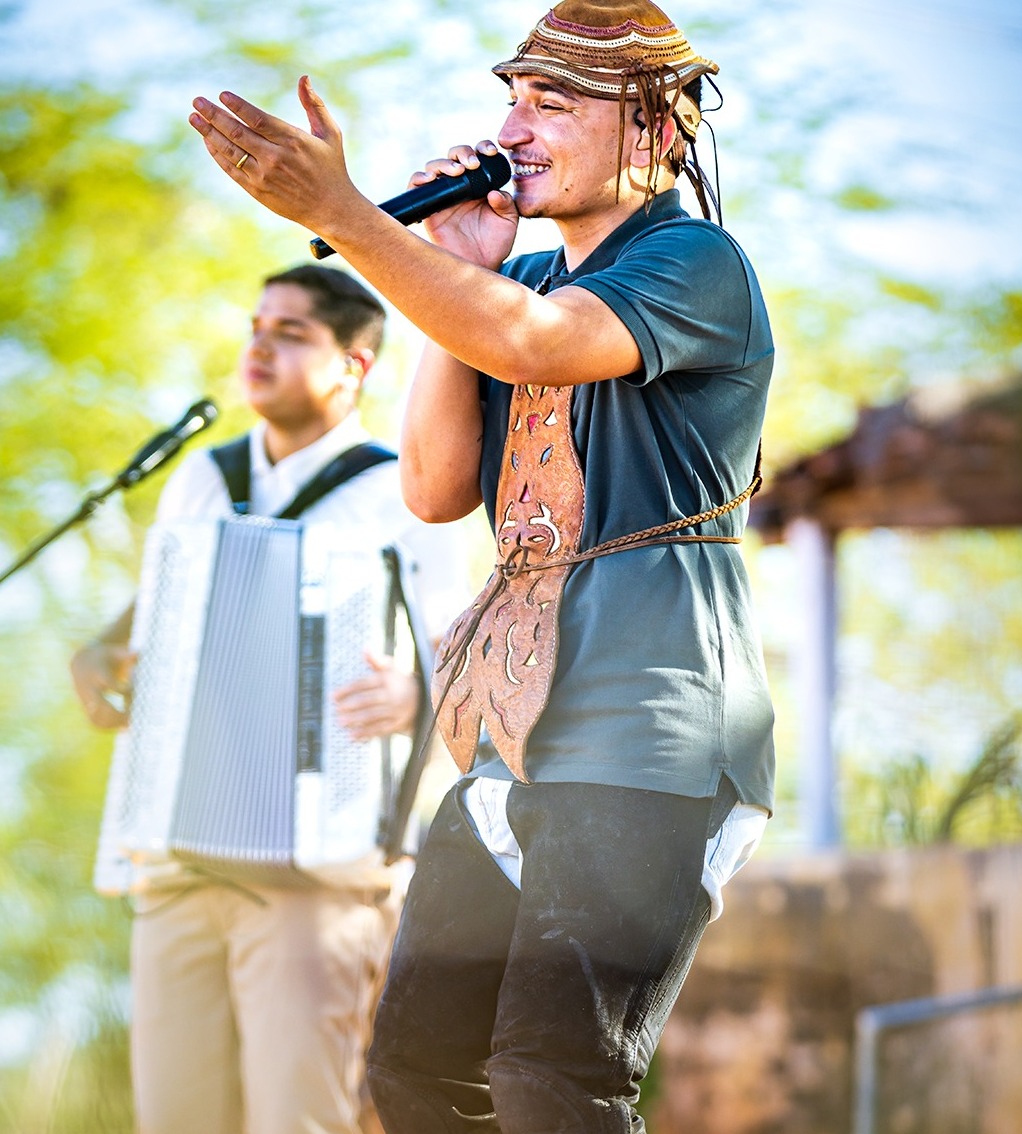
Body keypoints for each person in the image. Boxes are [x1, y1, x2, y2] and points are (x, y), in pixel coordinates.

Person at [188, 1, 775, 1128]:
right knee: (414, 1071)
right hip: (514, 731)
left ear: (654, 130)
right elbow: (434, 485)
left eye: (552, 103)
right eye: (512, 99)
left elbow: (531, 342)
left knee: (554, 1078)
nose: (513, 128)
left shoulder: (695, 260)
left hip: (650, 729)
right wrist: (450, 269)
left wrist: (349, 217)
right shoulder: (519, 281)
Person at [71, 263, 469, 1134]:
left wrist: (418, 694)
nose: (260, 347)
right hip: (177, 862)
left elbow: (466, 662)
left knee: (299, 1119)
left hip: (321, 873)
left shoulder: (405, 490)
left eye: (291, 333)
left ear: (354, 365)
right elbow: (156, 619)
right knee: (175, 1120)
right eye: (256, 328)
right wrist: (102, 657)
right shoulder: (203, 478)